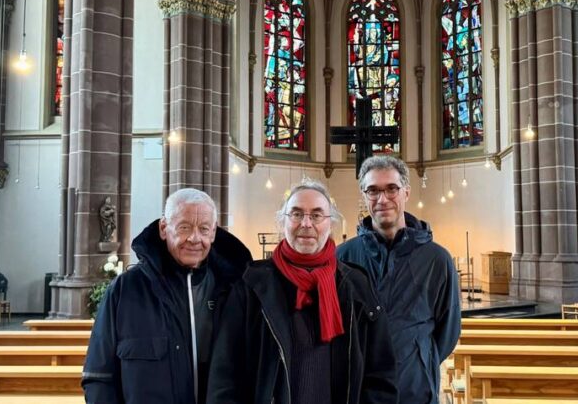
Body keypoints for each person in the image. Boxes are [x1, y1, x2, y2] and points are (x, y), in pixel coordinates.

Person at [208, 180, 398, 404]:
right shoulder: (253, 286)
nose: (306, 224)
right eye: (296, 214)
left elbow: (381, 375)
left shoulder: (356, 285)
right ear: (283, 222)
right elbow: (226, 374)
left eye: (317, 215)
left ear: (330, 224)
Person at [83, 188, 252, 404]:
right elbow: (99, 376)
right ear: (164, 228)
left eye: (204, 229)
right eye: (184, 227)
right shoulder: (126, 290)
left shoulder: (235, 289)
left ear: (214, 233)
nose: (194, 238)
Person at [338, 156, 461, 404]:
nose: (382, 199)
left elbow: (447, 333)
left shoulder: (437, 259)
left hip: (415, 389)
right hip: (358, 390)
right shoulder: (343, 256)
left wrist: (416, 356)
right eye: (372, 190)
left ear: (406, 192)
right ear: (364, 195)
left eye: (391, 188)